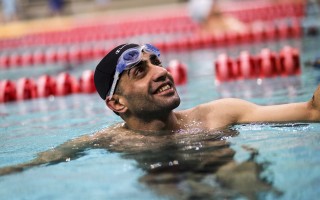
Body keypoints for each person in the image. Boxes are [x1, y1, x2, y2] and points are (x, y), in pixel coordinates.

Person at [0, 43, 319, 198]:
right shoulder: (106, 141)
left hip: (224, 165)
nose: (163, 71)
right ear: (117, 103)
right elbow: (26, 167)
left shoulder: (218, 114)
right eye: (141, 71)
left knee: (241, 175)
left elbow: (311, 112)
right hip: (169, 181)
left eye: (157, 63)